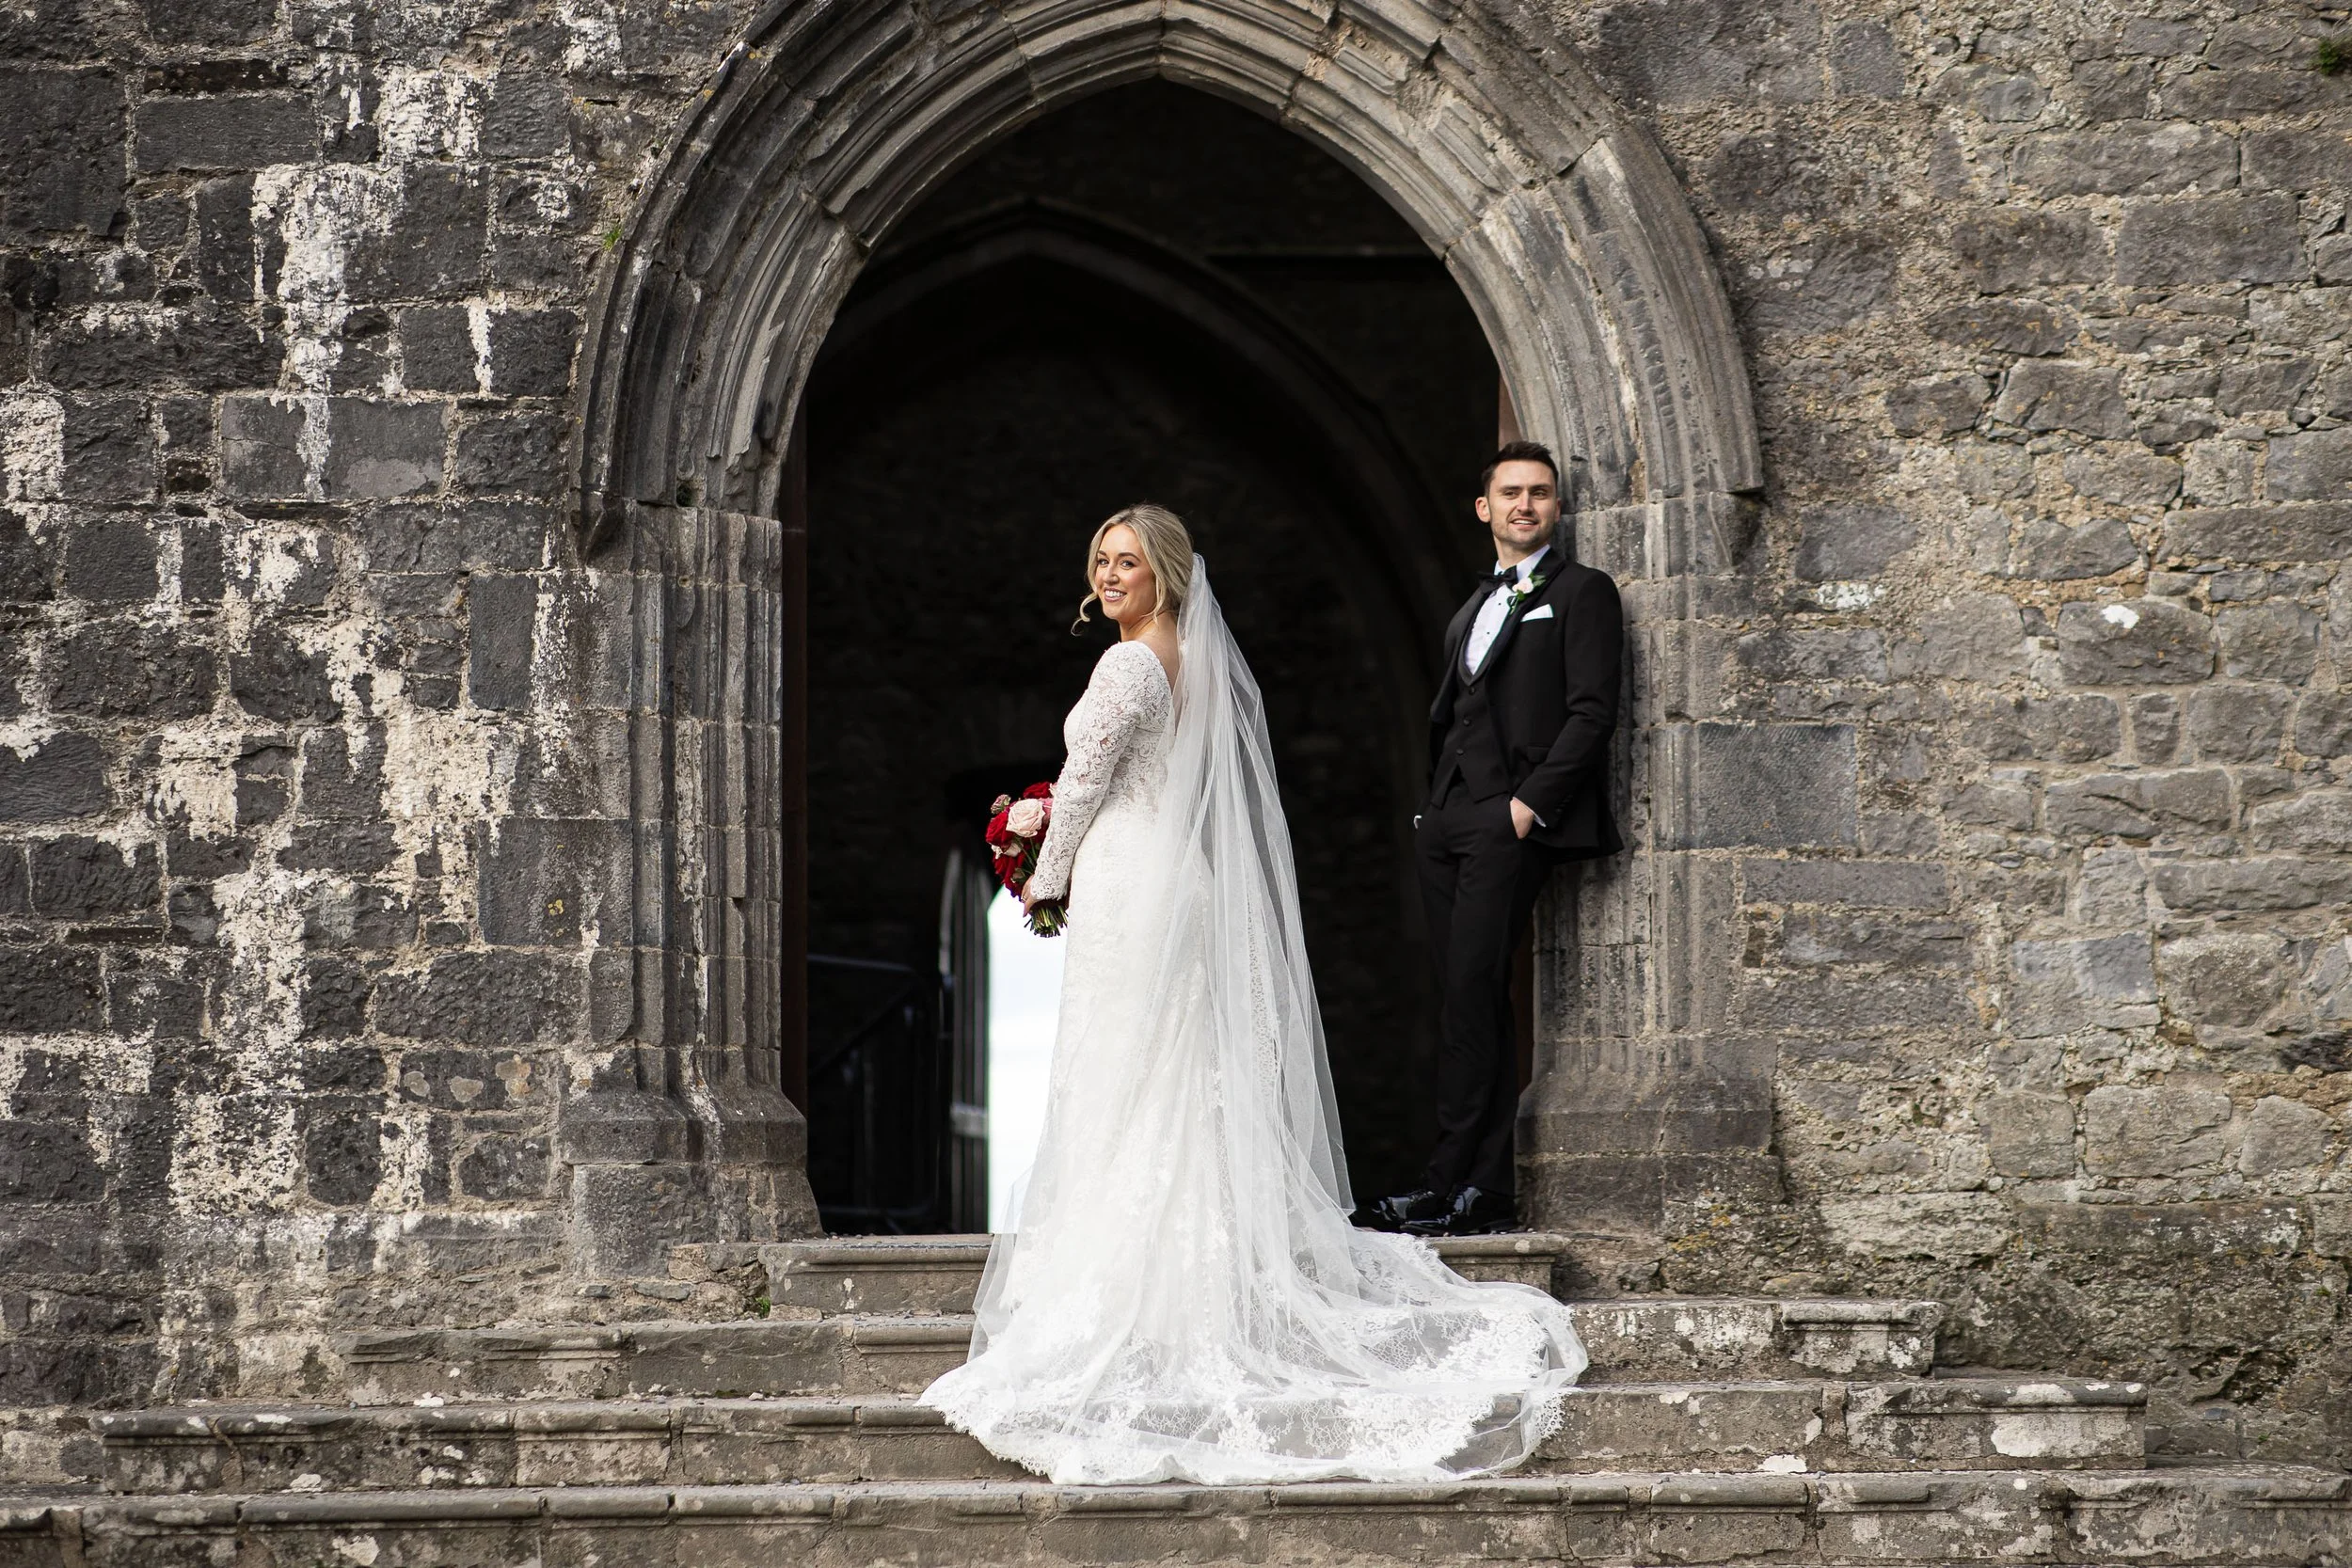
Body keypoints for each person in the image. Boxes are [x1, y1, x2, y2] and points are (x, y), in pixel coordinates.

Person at [921, 503, 1586, 1485]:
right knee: (1176, 1072)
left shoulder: (1124, 666)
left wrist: (1043, 868)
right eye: (1101, 560)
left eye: (1130, 563)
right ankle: (1205, 1263)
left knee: (1125, 1074)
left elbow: (1088, 778)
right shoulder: (1191, 664)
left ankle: (1137, 1286)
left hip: (1127, 883)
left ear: (1166, 575)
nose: (1110, 576)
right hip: (1172, 876)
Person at [1362, 441, 1624, 1239]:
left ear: (1555, 508)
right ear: (1485, 508)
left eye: (1540, 494)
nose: (1525, 504)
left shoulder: (1582, 593)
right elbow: (1458, 709)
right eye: (1510, 492)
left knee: (1476, 992)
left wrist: (1525, 807)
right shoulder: (1473, 606)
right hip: (1447, 821)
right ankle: (1480, 1187)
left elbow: (1591, 712)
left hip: (1508, 821)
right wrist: (1431, 812)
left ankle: (1455, 1185)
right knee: (1463, 995)